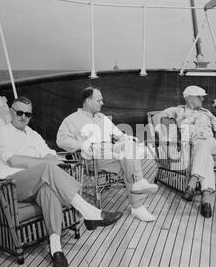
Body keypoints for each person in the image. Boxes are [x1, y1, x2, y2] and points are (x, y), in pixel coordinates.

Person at [0, 96, 122, 267]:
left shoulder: (33, 134)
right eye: (19, 112)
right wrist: (42, 161)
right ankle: (90, 212)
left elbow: (52, 156)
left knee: (48, 190)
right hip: (8, 186)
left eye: (28, 114)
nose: (23, 117)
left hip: (36, 183)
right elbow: (14, 160)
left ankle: (56, 249)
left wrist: (46, 161)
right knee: (46, 167)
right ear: (10, 112)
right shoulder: (2, 133)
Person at [56, 87, 158, 222]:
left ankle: (138, 191)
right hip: (91, 158)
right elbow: (61, 140)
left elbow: (117, 133)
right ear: (88, 101)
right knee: (128, 162)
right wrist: (81, 145)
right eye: (99, 100)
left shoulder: (102, 118)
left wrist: (125, 138)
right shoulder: (72, 120)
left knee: (129, 147)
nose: (102, 103)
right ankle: (137, 202)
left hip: (110, 153)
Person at [152, 85, 216, 218]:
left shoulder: (207, 112)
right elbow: (156, 117)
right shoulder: (178, 111)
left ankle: (192, 182)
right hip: (191, 147)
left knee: (204, 144)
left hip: (210, 143)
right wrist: (163, 128)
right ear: (190, 98)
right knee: (205, 156)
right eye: (199, 96)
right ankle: (206, 200)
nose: (203, 99)